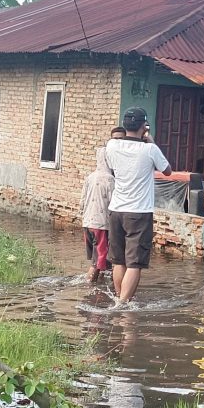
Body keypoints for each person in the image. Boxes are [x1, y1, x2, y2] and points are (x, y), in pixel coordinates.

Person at [104, 107, 172, 307]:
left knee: (119, 261)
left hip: (116, 210)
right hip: (139, 213)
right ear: (144, 126)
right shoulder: (149, 149)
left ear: (125, 126)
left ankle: (119, 298)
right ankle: (123, 305)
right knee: (135, 263)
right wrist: (149, 139)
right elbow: (167, 171)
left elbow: (111, 165)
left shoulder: (111, 145)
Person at [80, 147, 114, 283]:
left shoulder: (90, 177)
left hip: (87, 223)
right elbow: (113, 203)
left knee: (100, 259)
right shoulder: (110, 179)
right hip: (101, 224)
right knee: (98, 260)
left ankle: (99, 282)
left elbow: (82, 201)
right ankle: (89, 288)